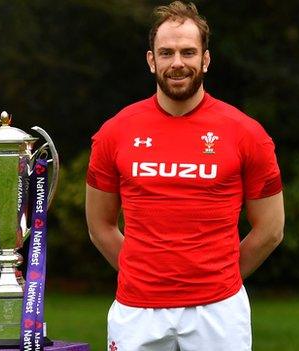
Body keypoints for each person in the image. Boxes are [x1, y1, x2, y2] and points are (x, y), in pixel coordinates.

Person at [85, 2, 284, 350]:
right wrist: (144, 274)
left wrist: (218, 278)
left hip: (219, 310)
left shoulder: (247, 134)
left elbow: (270, 230)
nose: (177, 63)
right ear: (152, 61)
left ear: (205, 60)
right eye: (167, 53)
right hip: (137, 311)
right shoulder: (114, 133)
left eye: (188, 52)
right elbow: (99, 226)